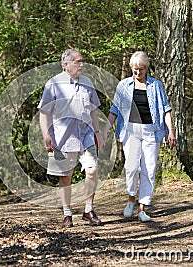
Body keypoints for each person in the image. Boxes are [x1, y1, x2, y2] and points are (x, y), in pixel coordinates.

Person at [103, 51, 176, 222]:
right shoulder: (123, 86)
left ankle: (143, 207)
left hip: (152, 130)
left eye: (141, 69)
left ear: (146, 68)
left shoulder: (156, 86)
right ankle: (130, 199)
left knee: (149, 169)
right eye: (135, 69)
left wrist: (171, 131)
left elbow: (166, 109)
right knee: (132, 167)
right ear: (131, 68)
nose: (137, 73)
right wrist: (105, 130)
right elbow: (114, 110)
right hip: (131, 131)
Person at [38, 48, 105, 228]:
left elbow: (93, 111)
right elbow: (44, 113)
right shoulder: (53, 84)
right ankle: (67, 213)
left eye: (82, 61)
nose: (81, 64)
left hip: (86, 135)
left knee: (92, 170)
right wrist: (46, 134)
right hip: (62, 138)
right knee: (65, 177)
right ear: (66, 64)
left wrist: (98, 132)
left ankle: (88, 210)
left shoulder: (87, 82)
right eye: (78, 61)